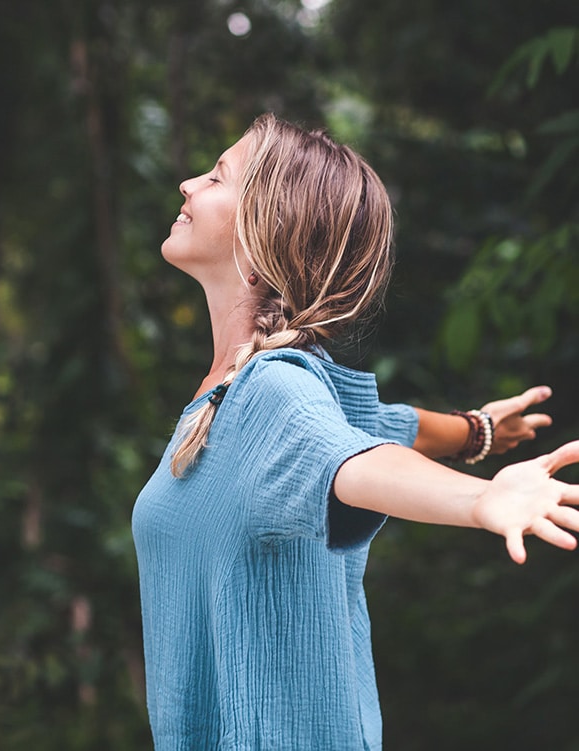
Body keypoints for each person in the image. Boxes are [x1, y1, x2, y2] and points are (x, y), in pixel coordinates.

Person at [132, 113, 579, 750]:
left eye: (216, 176)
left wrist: (477, 500)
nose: (187, 184)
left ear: (266, 234)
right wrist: (473, 431)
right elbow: (375, 428)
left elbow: (358, 463)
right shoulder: (238, 394)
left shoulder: (273, 392)